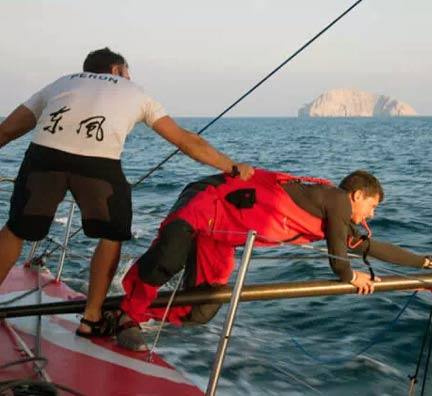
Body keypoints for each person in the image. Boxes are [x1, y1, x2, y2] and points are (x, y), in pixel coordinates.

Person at [0, 47, 254, 338]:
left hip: (43, 158)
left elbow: (6, 131)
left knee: (16, 229)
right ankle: (91, 317)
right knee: (112, 235)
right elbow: (186, 141)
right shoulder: (135, 91)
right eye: (127, 73)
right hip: (98, 165)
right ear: (117, 70)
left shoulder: (61, 82)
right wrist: (231, 165)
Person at [115, 168, 432, 351]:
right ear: (357, 195)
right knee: (170, 256)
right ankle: (128, 314)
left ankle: (127, 310)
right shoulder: (338, 200)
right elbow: (340, 264)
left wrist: (427, 263)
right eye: (371, 206)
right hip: (209, 199)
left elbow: (373, 249)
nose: (370, 215)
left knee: (202, 310)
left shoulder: (335, 220)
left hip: (222, 235)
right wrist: (350, 277)